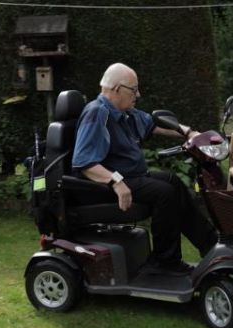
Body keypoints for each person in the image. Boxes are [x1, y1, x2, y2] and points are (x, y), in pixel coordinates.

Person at [72, 62, 217, 274]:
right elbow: (83, 161)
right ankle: (165, 262)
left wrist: (189, 133)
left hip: (132, 176)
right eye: (134, 89)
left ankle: (210, 244)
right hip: (107, 185)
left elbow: (155, 124)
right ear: (117, 89)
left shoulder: (125, 113)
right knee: (164, 193)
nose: (138, 94)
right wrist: (116, 182)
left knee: (172, 181)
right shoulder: (97, 114)